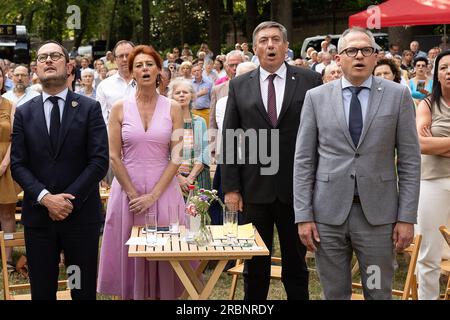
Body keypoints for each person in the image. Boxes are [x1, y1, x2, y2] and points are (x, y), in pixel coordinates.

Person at [294, 27, 421, 300]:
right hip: (328, 217)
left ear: (376, 57)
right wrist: (303, 215)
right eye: (351, 51)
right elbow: (304, 160)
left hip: (377, 219)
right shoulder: (316, 98)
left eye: (366, 50)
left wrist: (407, 217)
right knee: (335, 293)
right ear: (338, 58)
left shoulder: (397, 96)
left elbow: (410, 161)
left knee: (377, 291)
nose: (359, 56)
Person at [221, 21, 322, 300]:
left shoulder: (309, 80)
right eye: (263, 40)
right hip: (254, 190)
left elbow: (320, 136)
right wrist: (231, 188)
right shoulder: (240, 85)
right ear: (255, 49)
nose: (270, 45)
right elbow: (230, 137)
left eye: (276, 39)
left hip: (297, 189)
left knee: (296, 265)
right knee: (255, 266)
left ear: (286, 46)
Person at [10, 41, 109, 300]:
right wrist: (46, 198)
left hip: (80, 218)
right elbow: (18, 164)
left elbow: (99, 161)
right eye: (42, 58)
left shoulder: (89, 108)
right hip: (39, 220)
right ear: (36, 69)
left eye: (55, 56)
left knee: (80, 290)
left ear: (68, 66)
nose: (48, 61)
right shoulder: (23, 113)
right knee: (42, 291)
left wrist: (67, 201)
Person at [97, 45, 186, 300]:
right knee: (130, 252)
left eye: (149, 64)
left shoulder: (173, 108)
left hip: (164, 190)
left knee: (166, 253)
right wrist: (134, 194)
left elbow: (177, 156)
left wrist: (153, 196)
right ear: (132, 72)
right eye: (139, 65)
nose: (144, 69)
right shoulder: (119, 108)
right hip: (128, 192)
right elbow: (113, 155)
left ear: (159, 70)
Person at [415, 50, 450, 300]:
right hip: (432, 182)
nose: (449, 72)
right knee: (429, 253)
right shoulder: (427, 104)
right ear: (436, 74)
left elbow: (431, 143)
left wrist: (440, 143)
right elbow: (420, 144)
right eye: (444, 67)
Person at [168, 78, 210, 195]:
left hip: (197, 177)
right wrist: (179, 177)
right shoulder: (167, 123)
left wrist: (191, 177)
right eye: (177, 93)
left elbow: (204, 152)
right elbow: (164, 154)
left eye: (185, 92)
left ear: (192, 96)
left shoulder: (199, 121)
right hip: (172, 178)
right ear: (172, 97)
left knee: (197, 212)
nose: (181, 95)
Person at [0, 66, 18, 272]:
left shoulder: (10, 105)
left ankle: (8, 259)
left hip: (6, 164)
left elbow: (15, 137)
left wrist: (5, 163)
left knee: (7, 214)